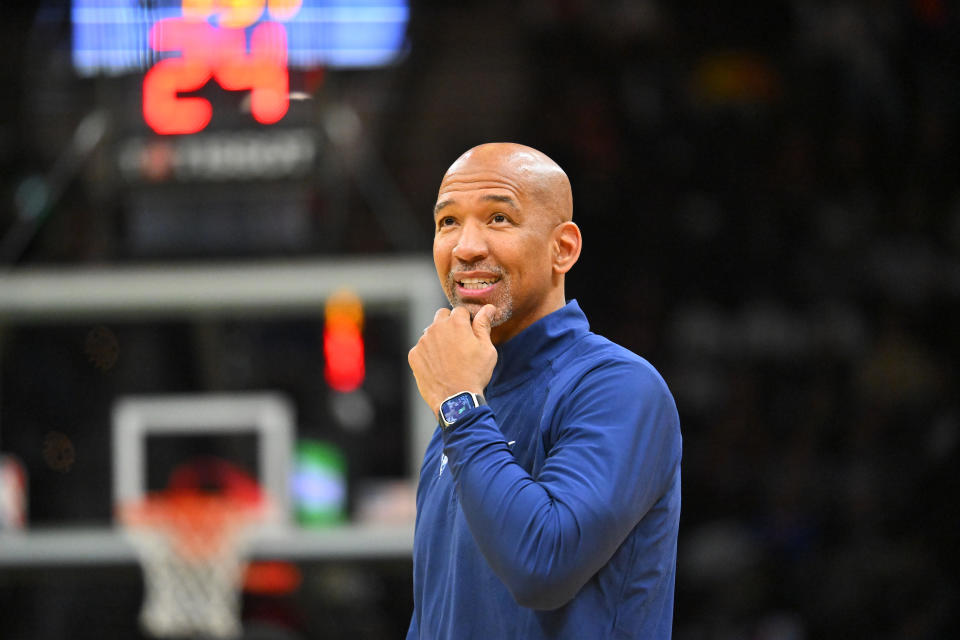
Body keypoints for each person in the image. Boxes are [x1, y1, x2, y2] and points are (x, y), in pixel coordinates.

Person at [406, 142, 681, 639]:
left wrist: (459, 405)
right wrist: (459, 403)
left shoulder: (618, 386)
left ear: (564, 249)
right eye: (448, 222)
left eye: (498, 219)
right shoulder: (466, 399)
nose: (466, 246)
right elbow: (434, 613)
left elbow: (542, 567)